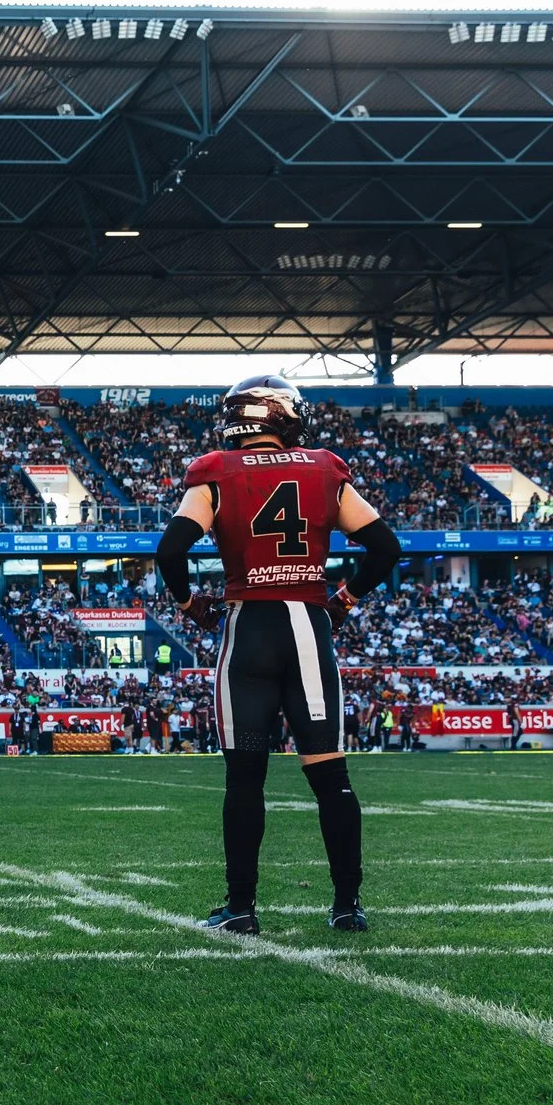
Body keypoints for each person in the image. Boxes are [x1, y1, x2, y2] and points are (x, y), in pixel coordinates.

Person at [154, 374, 402, 935]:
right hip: (309, 626)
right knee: (331, 778)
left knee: (245, 780)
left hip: (248, 629)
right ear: (283, 416)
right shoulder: (323, 467)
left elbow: (171, 550)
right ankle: (347, 906)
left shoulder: (213, 470)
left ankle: (241, 908)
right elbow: (386, 548)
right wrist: (344, 598)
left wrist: (192, 604)